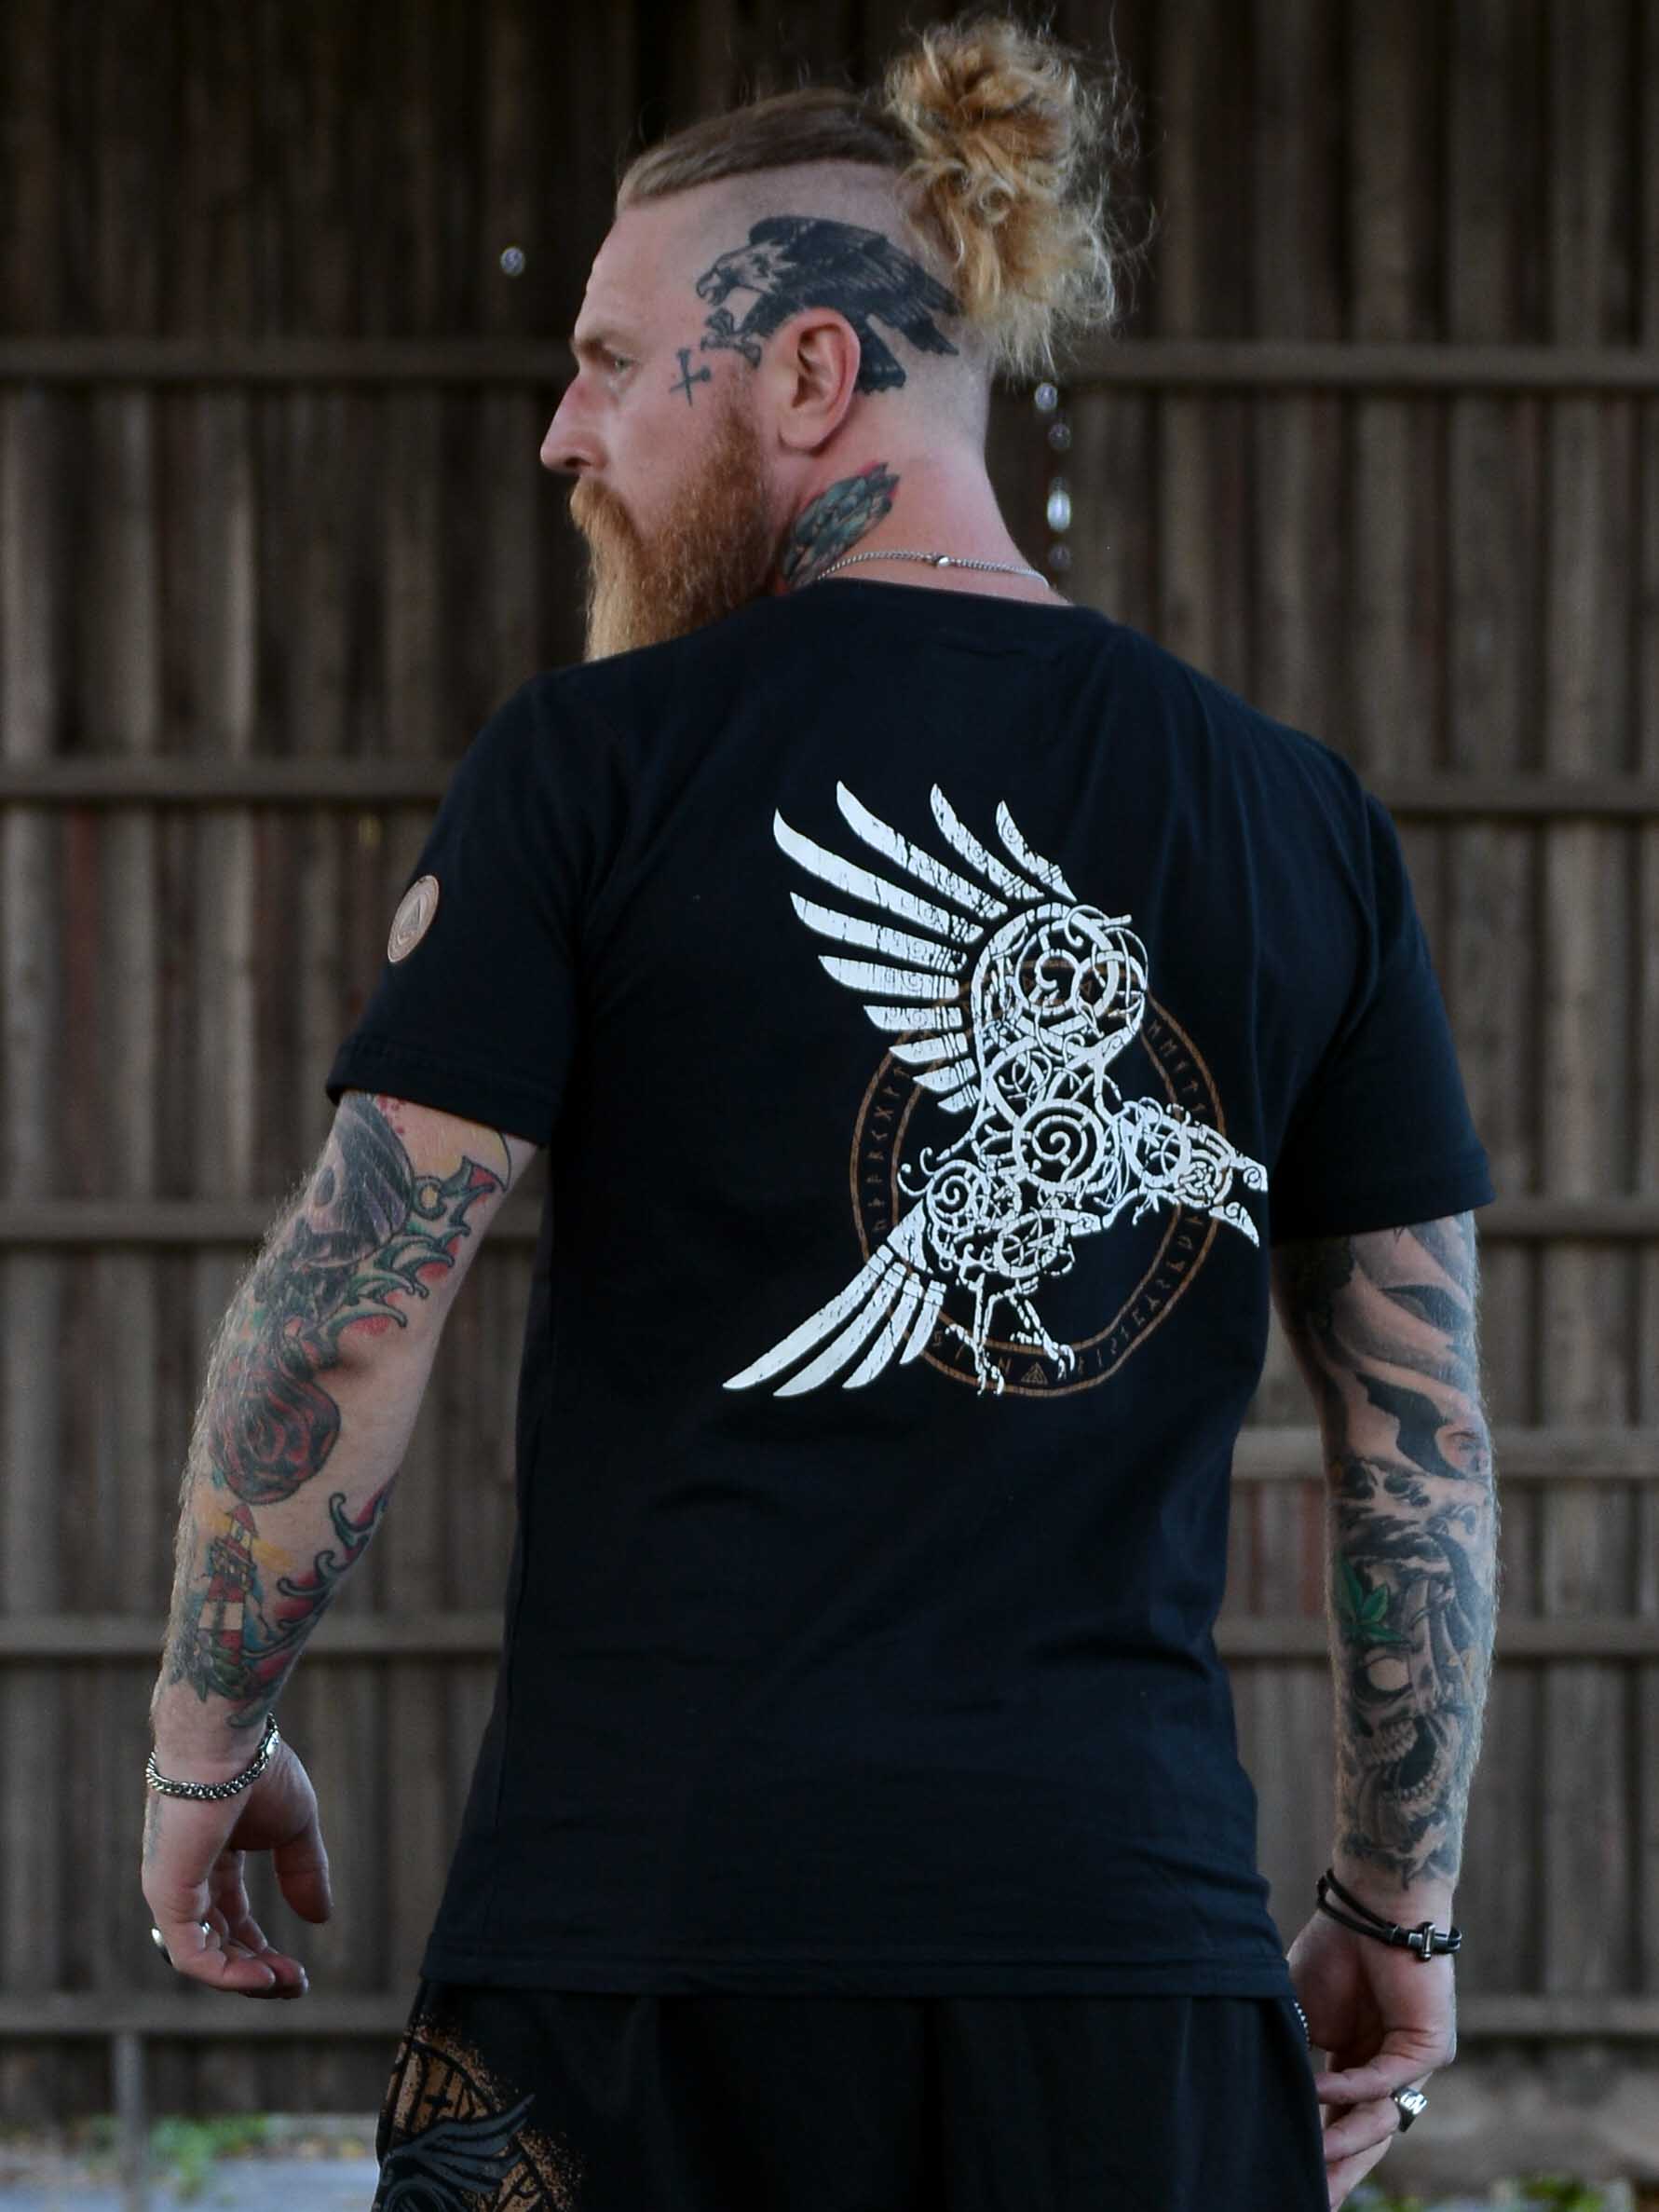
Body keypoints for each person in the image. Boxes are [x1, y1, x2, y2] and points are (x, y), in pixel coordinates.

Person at [139, 13, 1500, 2209]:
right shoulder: (1298, 820)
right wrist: (1395, 1904)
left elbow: (352, 1308)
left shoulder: (593, 767)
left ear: (803, 374)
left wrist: (206, 1739)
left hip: (649, 1964)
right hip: (1128, 1979)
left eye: (609, 359)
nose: (564, 431)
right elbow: (1420, 1435)